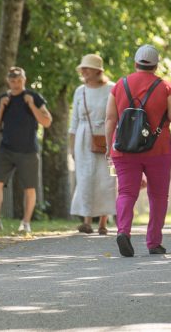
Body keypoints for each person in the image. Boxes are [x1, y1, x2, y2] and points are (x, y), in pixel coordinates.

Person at [104, 44, 171, 257]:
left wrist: (109, 148)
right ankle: (154, 242)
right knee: (158, 195)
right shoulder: (165, 87)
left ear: (135, 63)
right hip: (159, 149)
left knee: (126, 192)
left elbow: (109, 119)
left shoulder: (119, 85)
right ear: (155, 65)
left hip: (124, 149)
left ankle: (123, 231)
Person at [0, 67, 52, 235]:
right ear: (8, 81)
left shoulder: (34, 97)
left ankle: (26, 223)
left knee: (29, 188)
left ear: (24, 80)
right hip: (6, 149)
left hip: (28, 150)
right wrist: (1, 107)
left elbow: (47, 122)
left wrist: (31, 105)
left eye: (19, 80)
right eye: (13, 81)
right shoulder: (3, 98)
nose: (16, 84)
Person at [69, 53, 116, 235]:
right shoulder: (79, 91)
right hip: (83, 137)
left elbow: (115, 116)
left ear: (97, 71)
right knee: (85, 178)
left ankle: (103, 222)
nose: (84, 71)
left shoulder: (111, 89)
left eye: (87, 68)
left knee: (105, 179)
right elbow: (74, 121)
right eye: (83, 68)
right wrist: (71, 147)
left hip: (105, 135)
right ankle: (87, 221)